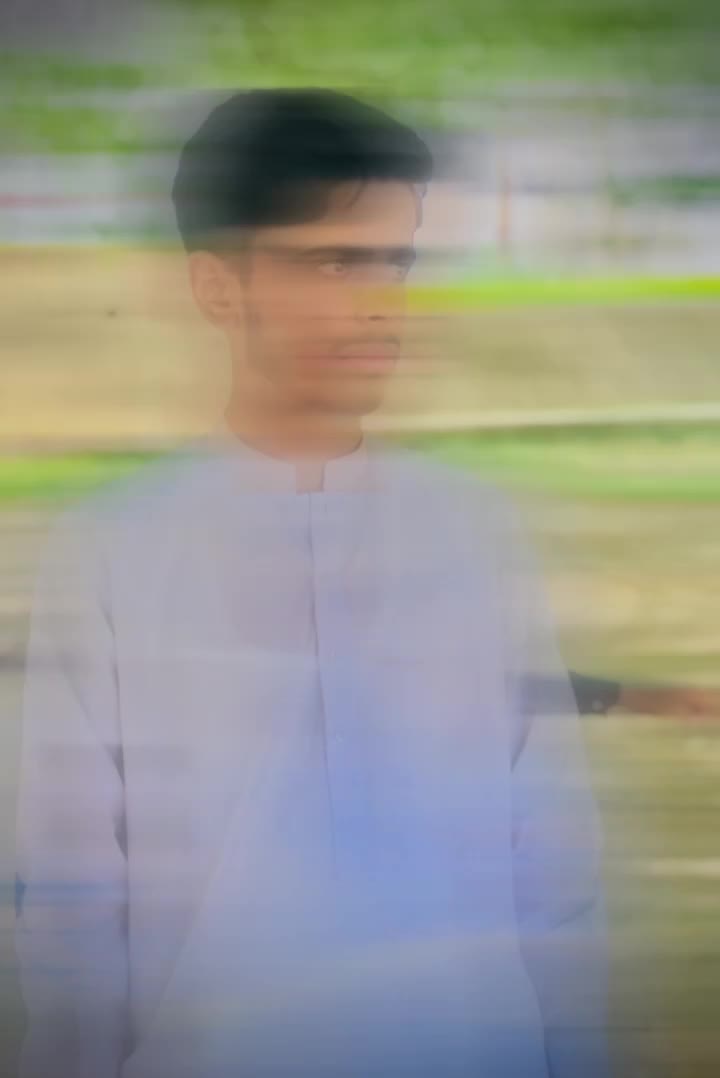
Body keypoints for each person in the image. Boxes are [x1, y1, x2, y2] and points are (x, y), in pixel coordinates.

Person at [16, 89, 608, 1078]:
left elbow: (555, 870)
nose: (379, 302)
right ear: (217, 286)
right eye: (332, 261)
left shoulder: (477, 536)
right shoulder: (110, 550)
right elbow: (72, 906)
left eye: (395, 262)